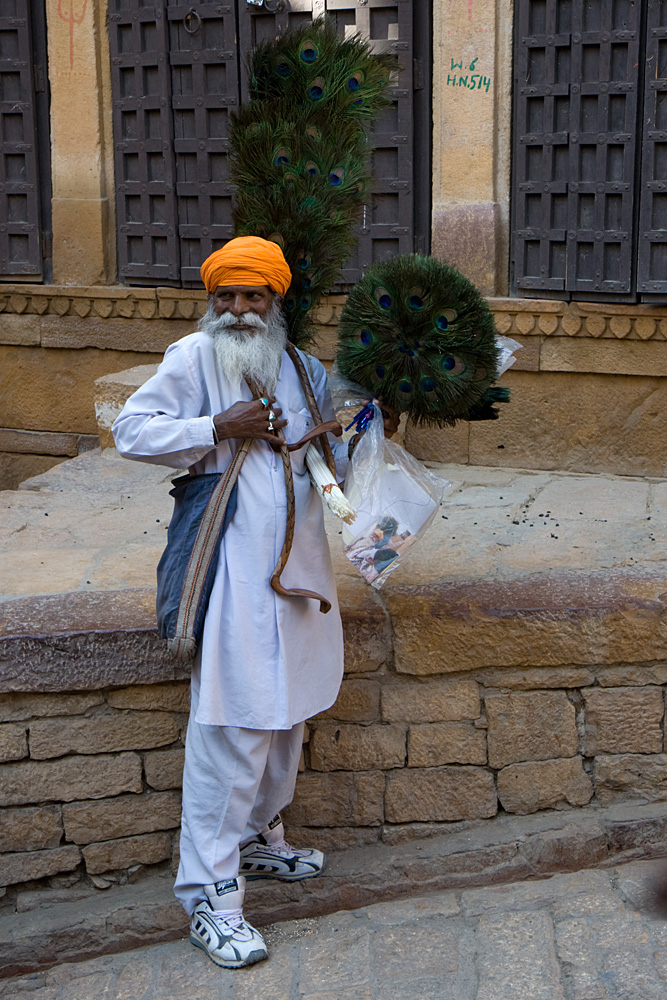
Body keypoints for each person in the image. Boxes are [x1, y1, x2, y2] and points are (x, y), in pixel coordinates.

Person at [113, 236, 395, 971]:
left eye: (253, 297)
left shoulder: (303, 367)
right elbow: (130, 431)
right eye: (226, 297)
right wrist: (216, 427)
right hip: (233, 577)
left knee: (287, 716)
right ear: (212, 302)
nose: (239, 310)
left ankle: (255, 839)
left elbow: (324, 454)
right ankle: (209, 893)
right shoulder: (191, 359)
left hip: (299, 575)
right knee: (233, 722)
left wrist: (364, 426)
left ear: (276, 302)